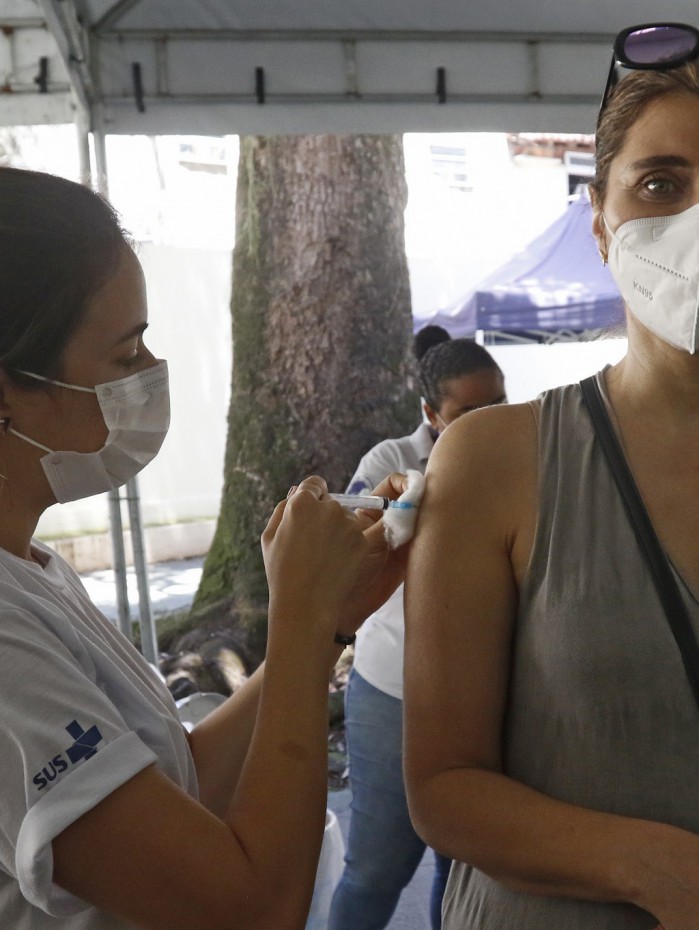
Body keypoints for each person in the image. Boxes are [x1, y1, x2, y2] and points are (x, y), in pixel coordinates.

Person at [0, 165, 410, 930]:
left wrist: (320, 626)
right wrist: (296, 621)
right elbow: (250, 908)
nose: (151, 375)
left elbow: (176, 786)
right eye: (124, 358)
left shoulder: (32, 570)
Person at [404, 27, 699, 930]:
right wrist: (658, 869)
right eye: (662, 184)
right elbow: (445, 788)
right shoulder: (497, 458)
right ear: (603, 226)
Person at [329, 334, 506, 930]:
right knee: (377, 871)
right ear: (430, 414)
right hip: (391, 693)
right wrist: (409, 507)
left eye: (499, 405)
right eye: (468, 414)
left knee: (461, 868)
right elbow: (350, 553)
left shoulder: (520, 459)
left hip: (481, 692)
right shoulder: (389, 465)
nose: (489, 423)